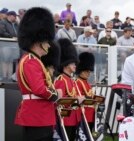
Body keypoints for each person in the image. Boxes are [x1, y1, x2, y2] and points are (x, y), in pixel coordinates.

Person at [14, 7, 61, 141]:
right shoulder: (30, 61)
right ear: (39, 42)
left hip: (40, 115)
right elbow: (39, 89)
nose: (49, 45)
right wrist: (56, 95)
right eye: (46, 42)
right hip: (36, 116)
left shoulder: (35, 60)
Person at [54, 38, 83, 141]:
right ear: (66, 64)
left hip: (74, 118)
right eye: (73, 63)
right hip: (65, 119)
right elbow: (59, 101)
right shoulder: (61, 80)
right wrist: (76, 101)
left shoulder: (71, 79)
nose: (75, 65)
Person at [75, 52, 96, 131]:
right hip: (83, 114)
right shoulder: (77, 82)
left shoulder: (87, 83)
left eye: (89, 71)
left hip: (90, 114)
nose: (88, 73)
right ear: (81, 70)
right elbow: (79, 97)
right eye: (86, 71)